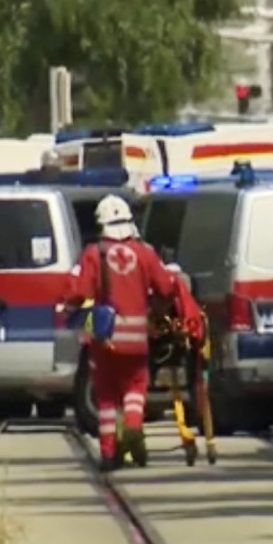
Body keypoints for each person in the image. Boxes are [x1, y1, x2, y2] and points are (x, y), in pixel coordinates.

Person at [66, 194, 179, 471]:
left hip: (104, 337)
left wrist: (82, 316)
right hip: (137, 338)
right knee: (135, 386)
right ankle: (132, 426)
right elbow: (166, 287)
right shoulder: (145, 252)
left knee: (106, 397)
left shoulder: (93, 253)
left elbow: (76, 293)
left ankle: (108, 454)